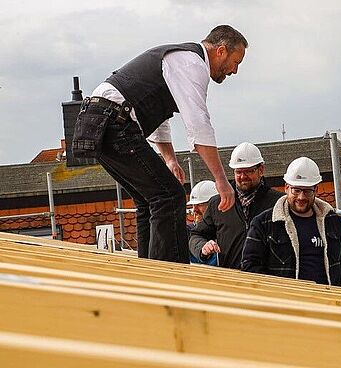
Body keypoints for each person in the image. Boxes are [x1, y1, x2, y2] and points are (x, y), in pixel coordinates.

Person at [72, 25, 247, 263]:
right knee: (169, 196)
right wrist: (221, 180)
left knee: (150, 199)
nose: (235, 71)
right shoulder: (192, 64)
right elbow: (198, 124)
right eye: (236, 62)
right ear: (221, 51)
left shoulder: (178, 61)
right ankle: (169, 275)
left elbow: (157, 113)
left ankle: (148, 270)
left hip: (100, 121)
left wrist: (170, 159)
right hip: (114, 121)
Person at [242, 157, 341, 287]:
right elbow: (250, 267)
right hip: (284, 303)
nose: (301, 197)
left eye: (307, 191)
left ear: (316, 190)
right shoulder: (264, 224)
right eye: (296, 190)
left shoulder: (333, 222)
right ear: (286, 188)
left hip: (327, 304)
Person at [189, 142, 283, 268]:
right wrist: (202, 247)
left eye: (249, 171)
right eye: (239, 172)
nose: (243, 176)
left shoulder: (278, 203)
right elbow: (197, 235)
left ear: (261, 170)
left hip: (267, 281)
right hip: (231, 280)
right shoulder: (217, 203)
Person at [186, 180, 219, 266]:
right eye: (193, 205)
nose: (194, 210)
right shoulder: (188, 232)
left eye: (200, 205)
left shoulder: (223, 234)